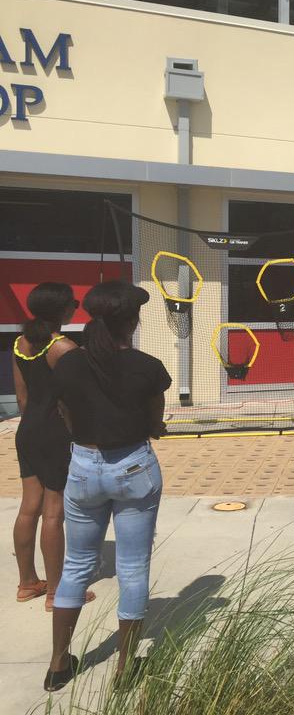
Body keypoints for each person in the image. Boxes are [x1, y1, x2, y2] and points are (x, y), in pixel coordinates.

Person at [46, 280, 171, 691]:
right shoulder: (148, 366)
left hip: (82, 466)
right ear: (132, 321)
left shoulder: (67, 363)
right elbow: (155, 420)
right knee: (132, 567)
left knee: (77, 566)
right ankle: (123, 669)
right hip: (133, 466)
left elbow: (64, 410)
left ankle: (59, 664)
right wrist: (154, 427)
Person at [12, 283, 94, 611]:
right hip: (54, 434)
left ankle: (28, 582)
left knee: (28, 506)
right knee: (53, 511)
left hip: (27, 430)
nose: (75, 307)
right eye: (73, 304)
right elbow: (75, 400)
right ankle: (56, 592)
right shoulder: (64, 347)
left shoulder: (21, 343)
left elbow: (21, 399)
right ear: (63, 310)